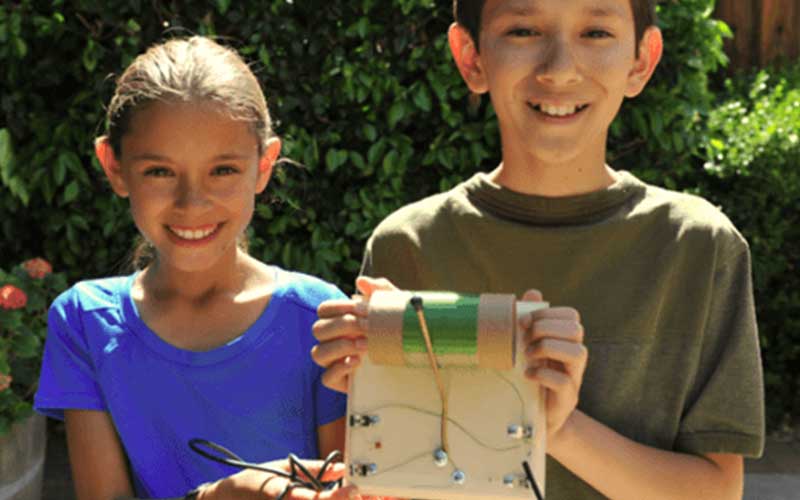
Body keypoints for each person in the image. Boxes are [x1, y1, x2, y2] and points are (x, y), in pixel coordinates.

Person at [311, 1, 765, 499]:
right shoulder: (407, 245)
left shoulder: (699, 248)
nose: (559, 69)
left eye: (595, 32)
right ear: (470, 57)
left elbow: (717, 491)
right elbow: (399, 477)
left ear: (641, 59)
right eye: (524, 30)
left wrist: (560, 428)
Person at [34, 37, 353, 500]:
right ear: (114, 166)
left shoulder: (319, 317)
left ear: (263, 166)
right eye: (160, 172)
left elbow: (351, 489)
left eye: (222, 170)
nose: (192, 203)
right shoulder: (84, 322)